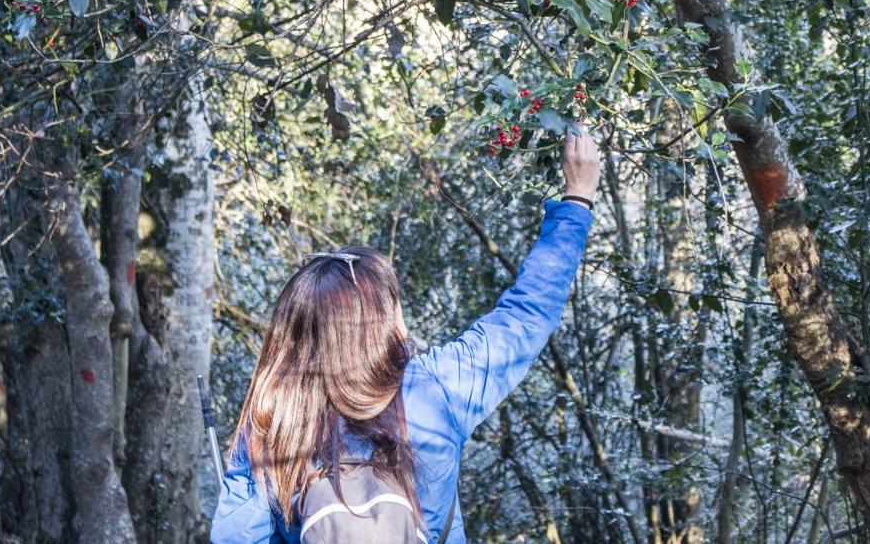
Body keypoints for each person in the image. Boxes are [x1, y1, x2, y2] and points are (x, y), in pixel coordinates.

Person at [210, 123, 601, 543]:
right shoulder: (437, 389)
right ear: (385, 318)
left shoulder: (273, 417)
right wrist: (577, 200)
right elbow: (526, 316)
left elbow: (234, 537)